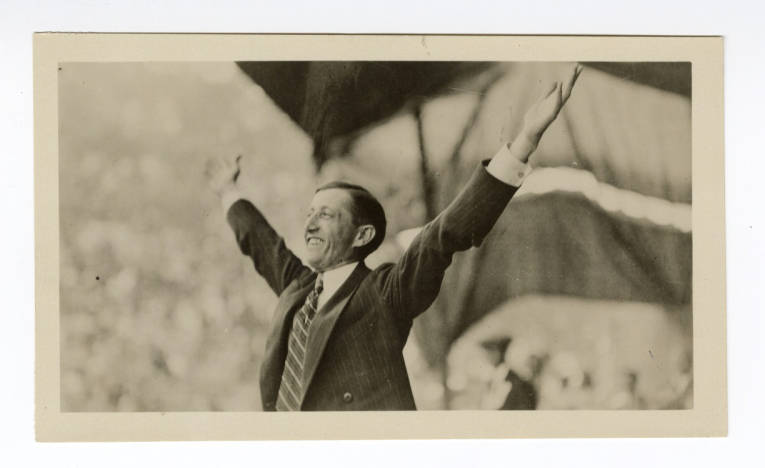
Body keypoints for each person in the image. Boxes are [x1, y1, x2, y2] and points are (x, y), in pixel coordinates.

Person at [205, 65, 582, 411]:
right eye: (310, 214)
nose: (311, 223)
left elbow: (445, 233)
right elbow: (262, 242)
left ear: (362, 234)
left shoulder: (386, 293)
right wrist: (228, 193)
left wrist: (526, 139)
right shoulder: (297, 287)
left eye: (327, 214)